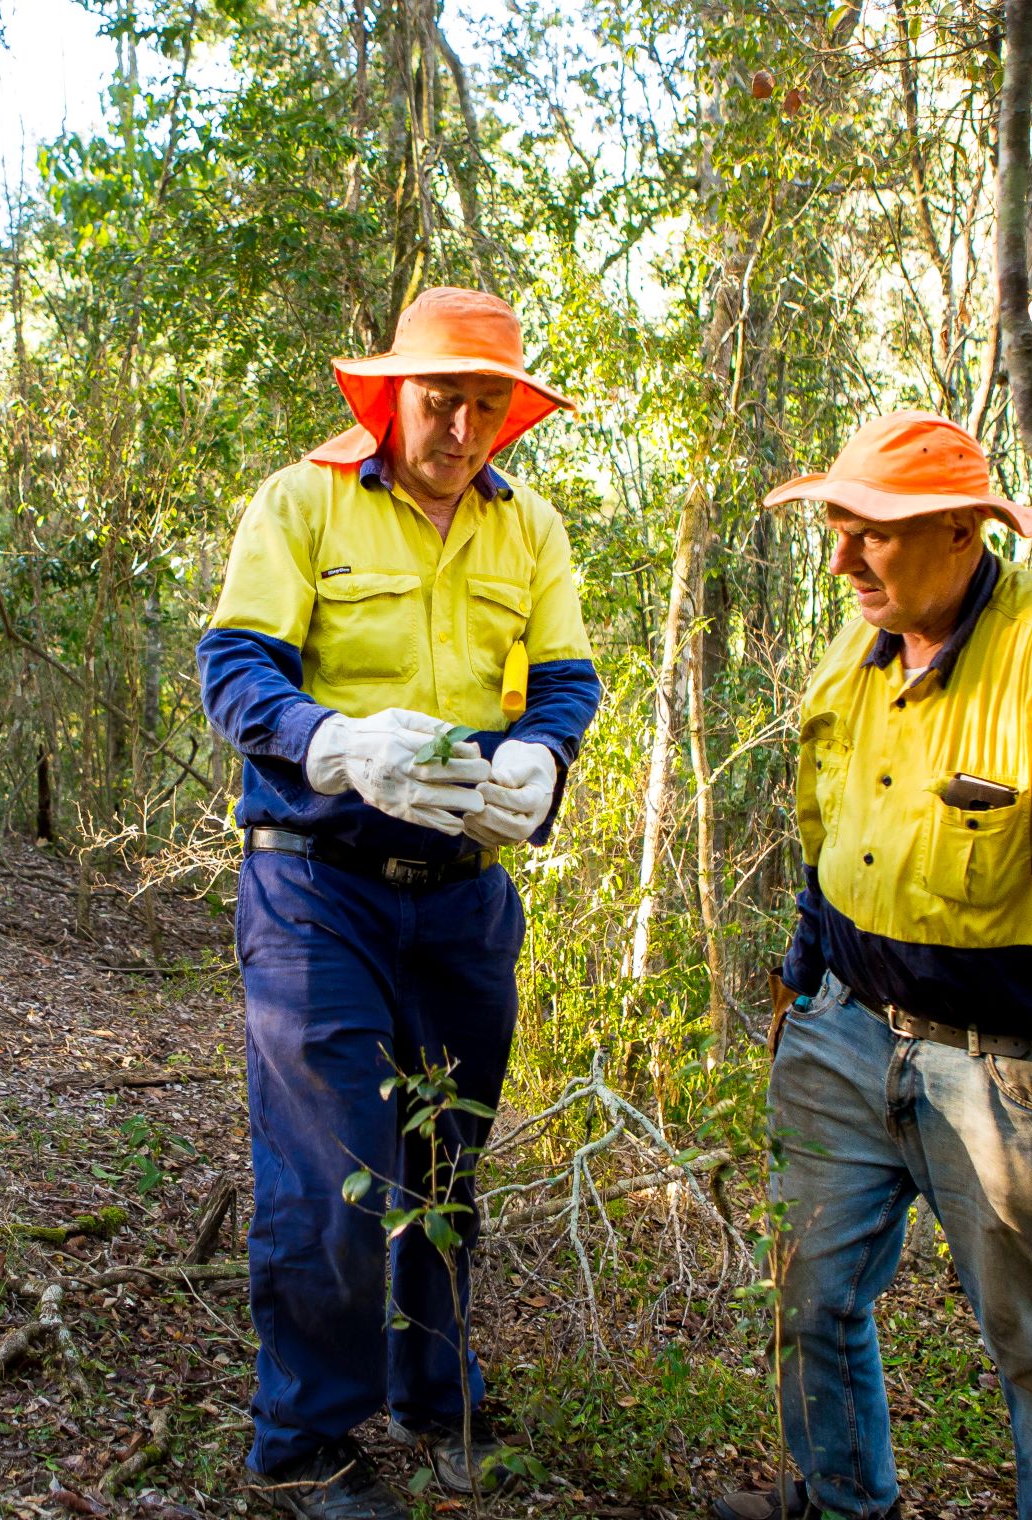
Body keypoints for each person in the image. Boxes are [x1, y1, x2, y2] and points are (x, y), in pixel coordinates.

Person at [712, 412, 1032, 1520]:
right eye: (834, 528)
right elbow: (826, 821)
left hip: (1005, 1066)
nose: (840, 560)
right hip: (840, 1027)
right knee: (812, 1300)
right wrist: (802, 969)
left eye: (868, 535)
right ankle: (839, 1502)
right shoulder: (860, 640)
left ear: (960, 533)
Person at [198, 286, 603, 1520]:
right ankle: (305, 1438)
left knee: (446, 1157)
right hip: (317, 884)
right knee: (332, 1169)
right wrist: (329, 743)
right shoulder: (303, 500)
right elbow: (235, 667)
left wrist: (543, 755)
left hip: (465, 897)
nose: (463, 423)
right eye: (443, 397)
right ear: (392, 394)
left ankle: (438, 1392)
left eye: (488, 402)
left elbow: (565, 679)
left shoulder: (528, 529)